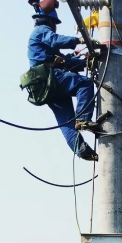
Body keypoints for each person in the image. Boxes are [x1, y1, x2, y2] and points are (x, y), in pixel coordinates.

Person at [27, 9, 98, 160]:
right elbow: (55, 39)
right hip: (50, 78)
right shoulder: (41, 31)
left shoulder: (43, 43)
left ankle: (81, 149)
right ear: (50, 21)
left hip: (46, 87)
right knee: (84, 84)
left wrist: (85, 63)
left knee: (66, 120)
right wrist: (79, 40)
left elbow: (65, 61)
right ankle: (83, 118)